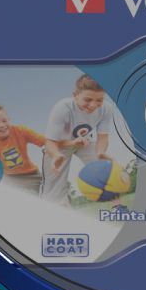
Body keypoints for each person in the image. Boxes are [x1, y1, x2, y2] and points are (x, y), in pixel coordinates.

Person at [40, 74, 128, 212]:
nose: (93, 105)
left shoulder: (106, 108)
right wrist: (57, 155)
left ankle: (118, 208)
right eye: (88, 99)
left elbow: (103, 137)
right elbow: (50, 142)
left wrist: (100, 153)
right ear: (75, 95)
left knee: (107, 169)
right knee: (53, 190)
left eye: (99, 100)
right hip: (59, 147)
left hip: (84, 143)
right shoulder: (63, 108)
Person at [0, 104, 45, 195]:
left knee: (50, 191)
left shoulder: (20, 131)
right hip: (10, 178)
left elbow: (47, 142)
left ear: (8, 120)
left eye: (4, 121)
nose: (2, 125)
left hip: (32, 175)